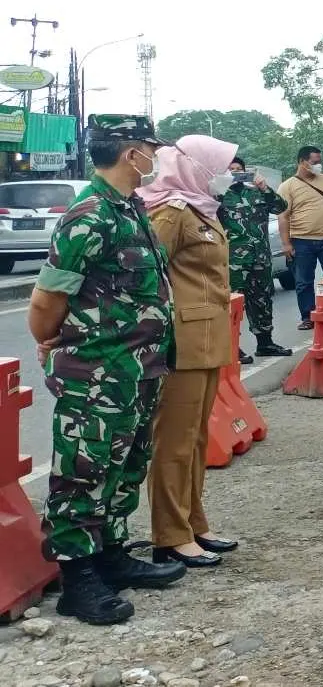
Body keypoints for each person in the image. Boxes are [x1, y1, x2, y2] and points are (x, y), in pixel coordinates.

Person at [30, 115, 186, 624]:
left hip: (137, 369)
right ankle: (78, 578)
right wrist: (53, 341)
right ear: (129, 153)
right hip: (96, 372)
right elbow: (48, 297)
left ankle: (111, 556)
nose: (154, 156)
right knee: (82, 470)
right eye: (149, 148)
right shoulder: (90, 214)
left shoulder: (130, 207)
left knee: (125, 466)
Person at [141, 135, 240, 569]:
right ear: (197, 168)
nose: (226, 175)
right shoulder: (172, 212)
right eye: (219, 167)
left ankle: (194, 521)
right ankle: (170, 533)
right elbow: (146, 273)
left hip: (206, 339)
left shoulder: (199, 206)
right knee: (174, 442)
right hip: (180, 340)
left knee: (197, 439)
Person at [218, 156, 291, 365]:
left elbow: (280, 207)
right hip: (234, 260)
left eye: (239, 169)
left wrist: (263, 186)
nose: (235, 173)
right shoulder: (220, 195)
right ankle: (233, 347)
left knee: (262, 300)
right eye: (230, 169)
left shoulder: (256, 192)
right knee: (233, 304)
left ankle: (265, 343)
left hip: (260, 257)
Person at [279, 146, 323, 331]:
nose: (318, 166)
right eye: (314, 162)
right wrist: (286, 243)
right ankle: (308, 316)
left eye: (319, 162)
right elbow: (283, 216)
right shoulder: (288, 186)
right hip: (301, 240)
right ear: (302, 162)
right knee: (303, 281)